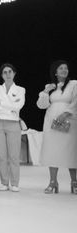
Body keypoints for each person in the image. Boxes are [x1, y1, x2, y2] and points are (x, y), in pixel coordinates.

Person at [36, 60, 77, 194]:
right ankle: (53, 182)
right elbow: (41, 105)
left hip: (69, 122)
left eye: (66, 68)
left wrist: (66, 113)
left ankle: (74, 182)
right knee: (52, 151)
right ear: (55, 71)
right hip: (51, 123)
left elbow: (76, 101)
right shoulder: (50, 86)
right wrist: (46, 91)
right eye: (61, 68)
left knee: (71, 151)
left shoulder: (74, 84)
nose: (64, 70)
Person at [0, 63, 25, 192]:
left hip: (13, 124)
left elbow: (18, 107)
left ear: (14, 73)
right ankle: (4, 182)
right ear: (1, 75)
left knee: (14, 155)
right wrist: (10, 105)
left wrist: (2, 104)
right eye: (5, 72)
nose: (8, 74)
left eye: (10, 71)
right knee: (1, 155)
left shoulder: (21, 90)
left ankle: (15, 183)